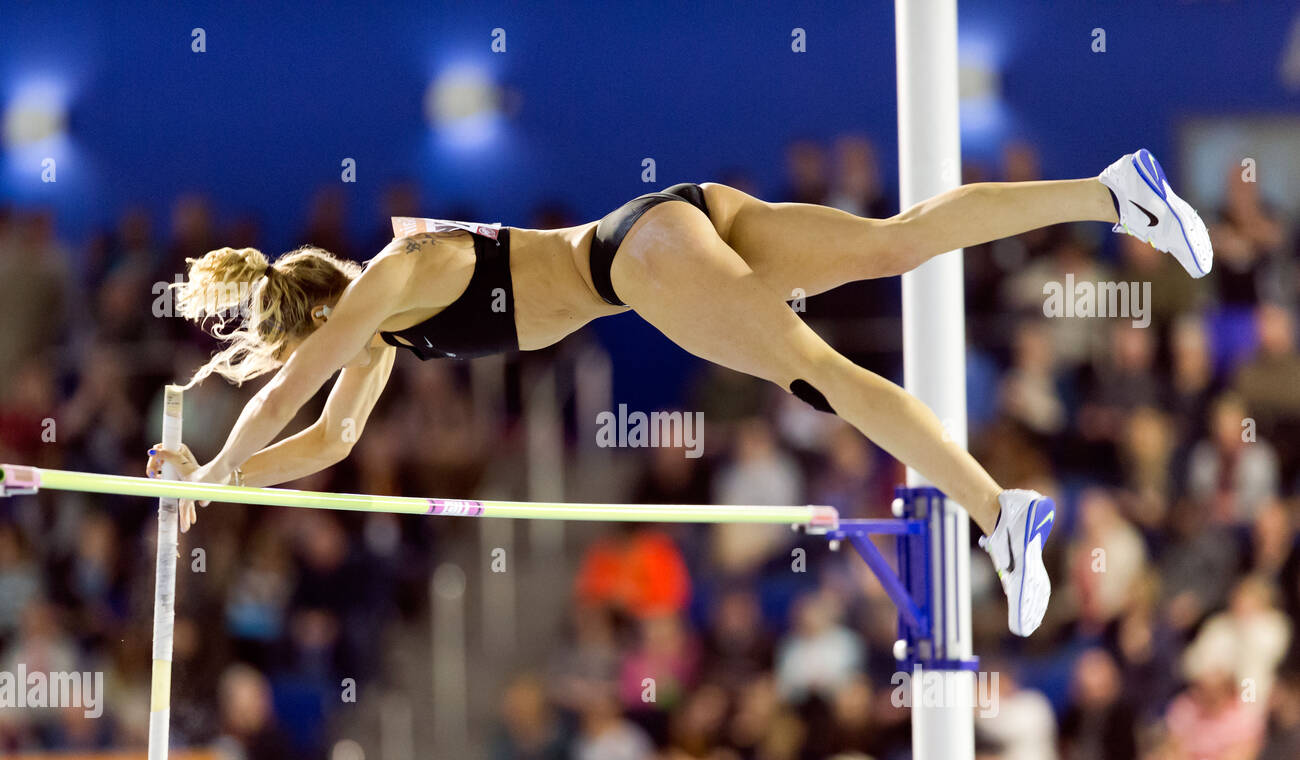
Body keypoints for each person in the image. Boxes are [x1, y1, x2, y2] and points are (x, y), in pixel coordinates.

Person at [147, 151, 1213, 637]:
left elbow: (294, 387)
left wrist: (214, 468)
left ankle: (998, 512)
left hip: (642, 259)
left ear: (319, 308)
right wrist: (220, 483)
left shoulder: (394, 278)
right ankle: (1115, 191)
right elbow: (329, 439)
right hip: (670, 215)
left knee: (826, 377)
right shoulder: (386, 332)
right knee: (892, 246)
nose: (333, 351)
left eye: (318, 335)